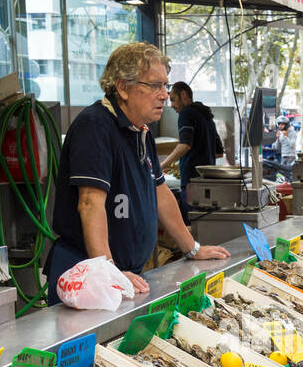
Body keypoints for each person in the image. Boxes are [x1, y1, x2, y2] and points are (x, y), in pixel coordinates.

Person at [43, 42, 229, 298]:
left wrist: (192, 249)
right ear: (122, 87)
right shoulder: (95, 127)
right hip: (88, 276)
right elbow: (90, 204)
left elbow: (160, 194)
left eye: (166, 85)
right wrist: (108, 271)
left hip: (123, 274)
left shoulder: (140, 132)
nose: (164, 94)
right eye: (154, 85)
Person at [161, 81, 220, 192]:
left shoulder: (186, 113)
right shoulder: (207, 116)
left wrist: (163, 165)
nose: (172, 105)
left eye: (173, 100)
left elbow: (185, 145)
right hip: (208, 182)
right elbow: (218, 152)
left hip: (192, 184)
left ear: (183, 95)